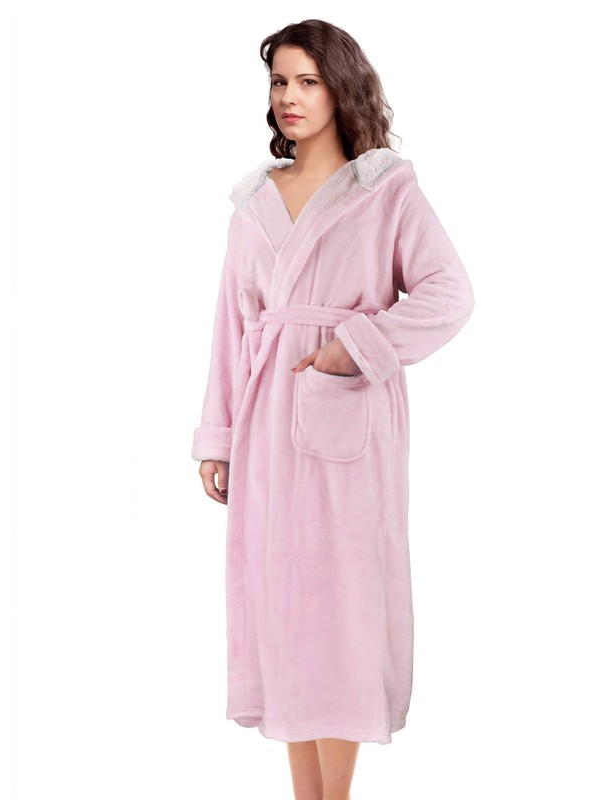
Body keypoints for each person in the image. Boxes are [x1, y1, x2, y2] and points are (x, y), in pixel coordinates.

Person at [192, 19, 475, 800]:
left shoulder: (385, 190)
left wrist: (357, 345)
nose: (289, 97)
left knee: (340, 615)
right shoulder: (253, 204)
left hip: (347, 422)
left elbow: (451, 293)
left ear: (341, 87)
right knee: (285, 615)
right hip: (265, 426)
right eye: (279, 82)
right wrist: (218, 436)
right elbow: (231, 330)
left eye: (307, 81)